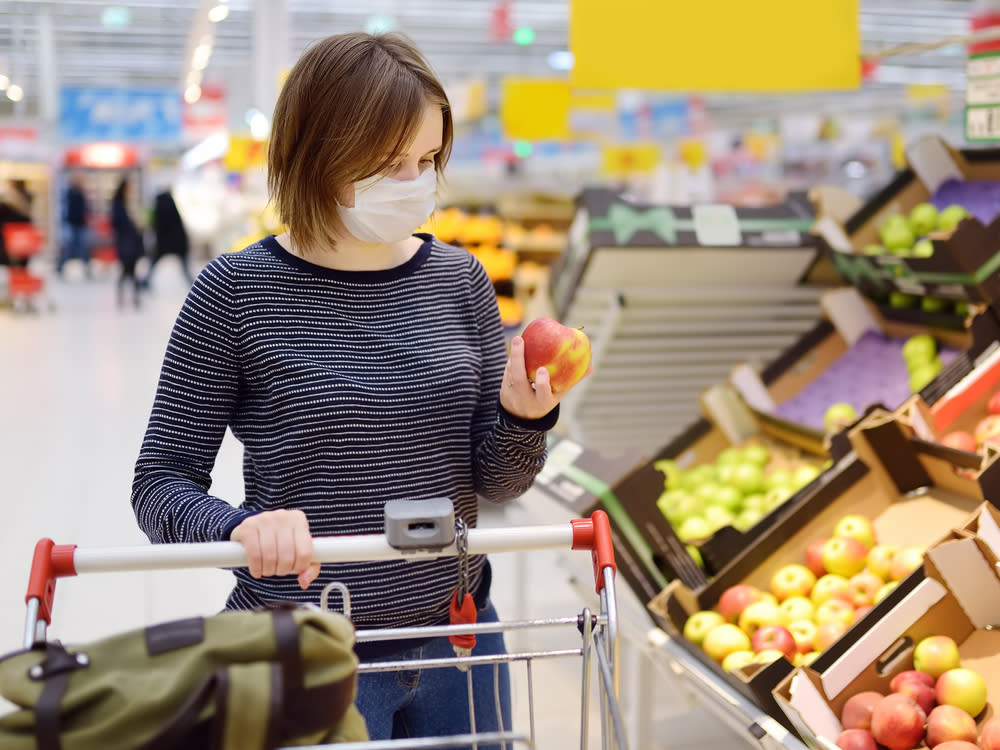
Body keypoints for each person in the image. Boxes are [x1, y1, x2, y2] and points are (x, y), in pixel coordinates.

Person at [131, 31, 589, 747]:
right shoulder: (236, 292)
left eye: (427, 160)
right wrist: (239, 529)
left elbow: (497, 482)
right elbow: (159, 483)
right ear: (316, 154)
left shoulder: (458, 280)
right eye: (385, 164)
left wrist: (523, 418)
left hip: (459, 634)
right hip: (310, 646)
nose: (413, 182)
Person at [144, 187, 194, 287]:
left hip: (164, 242)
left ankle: (145, 281)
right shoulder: (171, 204)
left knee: (154, 262)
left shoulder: (159, 205)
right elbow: (178, 225)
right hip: (178, 242)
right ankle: (195, 284)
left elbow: (156, 225)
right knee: (185, 267)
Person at [110, 178, 144, 308]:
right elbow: (118, 224)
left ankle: (131, 298)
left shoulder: (123, 204)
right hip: (126, 242)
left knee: (130, 271)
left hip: (128, 242)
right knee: (127, 270)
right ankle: (129, 298)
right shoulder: (118, 206)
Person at [57, 173, 91, 276]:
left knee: (81, 247)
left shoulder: (79, 193)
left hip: (79, 224)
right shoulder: (71, 193)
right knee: (71, 247)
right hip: (73, 224)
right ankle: (60, 266)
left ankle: (86, 267)